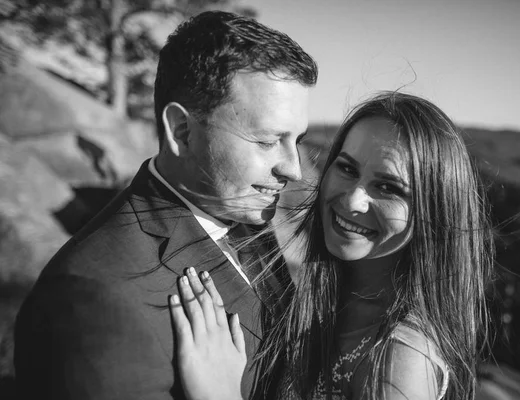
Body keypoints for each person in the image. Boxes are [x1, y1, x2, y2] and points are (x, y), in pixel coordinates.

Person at [14, 11, 317, 400]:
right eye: (266, 141)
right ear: (181, 132)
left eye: (297, 139)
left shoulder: (246, 210)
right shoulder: (92, 300)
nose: (293, 169)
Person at [169, 92, 494, 400]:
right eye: (347, 168)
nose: (353, 200)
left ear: (432, 212)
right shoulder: (327, 299)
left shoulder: (402, 362)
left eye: (389, 187)